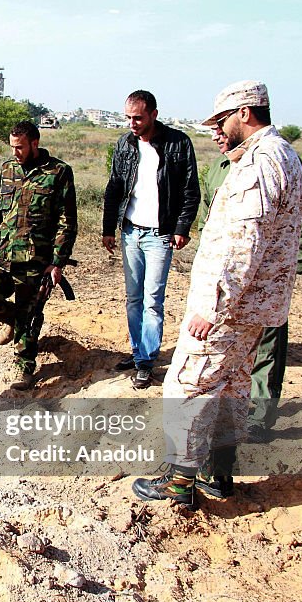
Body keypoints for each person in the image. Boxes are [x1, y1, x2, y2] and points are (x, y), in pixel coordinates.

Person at [133, 80, 302, 507]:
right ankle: (217, 473)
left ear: (245, 113)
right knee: (231, 386)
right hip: (253, 306)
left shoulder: (260, 163)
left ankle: (179, 481)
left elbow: (243, 242)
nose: (215, 130)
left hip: (231, 307)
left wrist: (212, 307)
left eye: (221, 120)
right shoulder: (282, 155)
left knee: (186, 384)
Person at [200, 124, 302, 440]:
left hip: (266, 281)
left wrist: (293, 267)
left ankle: (261, 419)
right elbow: (210, 217)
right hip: (229, 282)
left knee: (266, 349)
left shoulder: (272, 160)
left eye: (222, 129)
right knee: (229, 357)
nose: (217, 136)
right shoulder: (218, 168)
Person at [0, 121, 77, 390]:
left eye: (20, 147)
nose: (15, 152)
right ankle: (17, 324)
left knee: (30, 312)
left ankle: (24, 367)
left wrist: (57, 262)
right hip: (3, 257)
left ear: (34, 144)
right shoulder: (8, 170)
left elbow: (67, 221)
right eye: (12, 146)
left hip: (36, 261)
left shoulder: (58, 172)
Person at [102, 90, 200, 390]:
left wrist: (181, 227)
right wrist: (108, 228)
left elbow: (190, 190)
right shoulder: (125, 144)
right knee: (134, 298)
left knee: (153, 300)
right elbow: (115, 187)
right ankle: (138, 351)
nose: (132, 123)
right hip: (131, 231)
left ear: (154, 114)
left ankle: (145, 362)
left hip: (160, 234)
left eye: (138, 118)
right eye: (128, 117)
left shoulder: (178, 143)